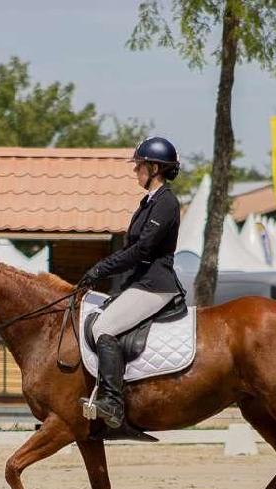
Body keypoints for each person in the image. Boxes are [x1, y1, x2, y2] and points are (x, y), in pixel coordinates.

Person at [77, 136, 184, 428]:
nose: (135, 170)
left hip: (156, 284)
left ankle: (112, 403)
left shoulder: (166, 203)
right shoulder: (148, 202)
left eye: (138, 165)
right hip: (140, 282)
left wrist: (101, 269)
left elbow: (142, 250)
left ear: (154, 168)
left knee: (103, 327)